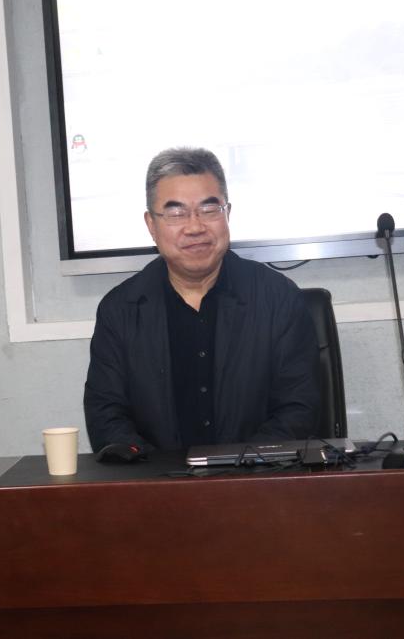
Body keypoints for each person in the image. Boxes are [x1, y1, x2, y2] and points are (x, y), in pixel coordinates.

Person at [84, 147, 317, 454]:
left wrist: (238, 470)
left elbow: (299, 409)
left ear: (227, 214)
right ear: (151, 225)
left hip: (258, 478)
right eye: (176, 213)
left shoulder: (278, 299)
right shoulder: (120, 310)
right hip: (156, 480)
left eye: (209, 210)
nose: (195, 227)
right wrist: (160, 475)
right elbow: (106, 416)